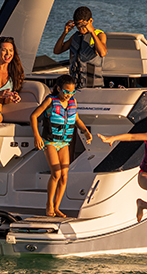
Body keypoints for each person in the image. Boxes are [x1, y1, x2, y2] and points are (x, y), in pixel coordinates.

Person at [30, 75, 92, 218]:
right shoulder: (50, 100)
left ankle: (57, 207)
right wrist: (36, 136)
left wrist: (85, 131)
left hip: (64, 142)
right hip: (50, 141)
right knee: (56, 174)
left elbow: (76, 119)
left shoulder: (72, 102)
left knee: (64, 176)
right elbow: (33, 116)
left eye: (72, 92)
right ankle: (49, 205)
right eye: (66, 92)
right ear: (58, 88)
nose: (69, 95)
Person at [53, 6, 107, 89]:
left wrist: (92, 32)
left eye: (83, 26)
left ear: (90, 21)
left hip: (93, 86)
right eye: (78, 26)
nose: (81, 29)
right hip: (75, 86)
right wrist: (65, 33)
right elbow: (57, 50)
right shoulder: (75, 36)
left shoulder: (99, 35)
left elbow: (102, 53)